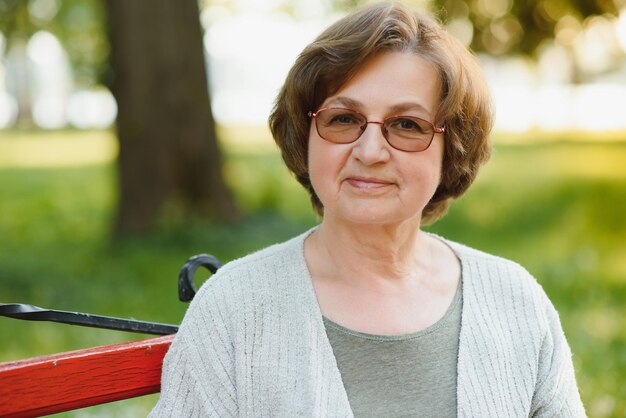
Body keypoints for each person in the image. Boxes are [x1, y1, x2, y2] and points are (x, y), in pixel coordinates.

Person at [150, 2, 586, 417]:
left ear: (451, 150)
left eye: (407, 125)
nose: (370, 150)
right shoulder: (234, 307)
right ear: (306, 134)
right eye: (342, 118)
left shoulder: (514, 301)